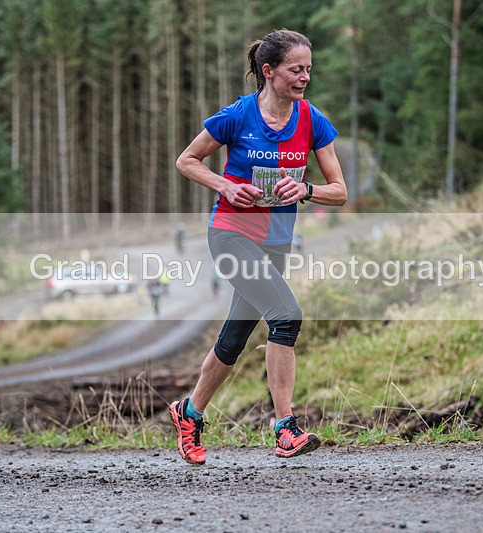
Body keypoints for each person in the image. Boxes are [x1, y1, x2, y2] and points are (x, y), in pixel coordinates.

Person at [170, 29, 347, 465]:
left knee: (233, 339)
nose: (305, 77)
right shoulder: (237, 116)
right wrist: (226, 186)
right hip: (231, 234)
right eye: (295, 69)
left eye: (308, 69)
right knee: (286, 316)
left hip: (276, 242)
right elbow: (187, 160)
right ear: (268, 72)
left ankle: (188, 413)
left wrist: (305, 189)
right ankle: (285, 428)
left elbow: (339, 191)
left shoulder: (311, 121)